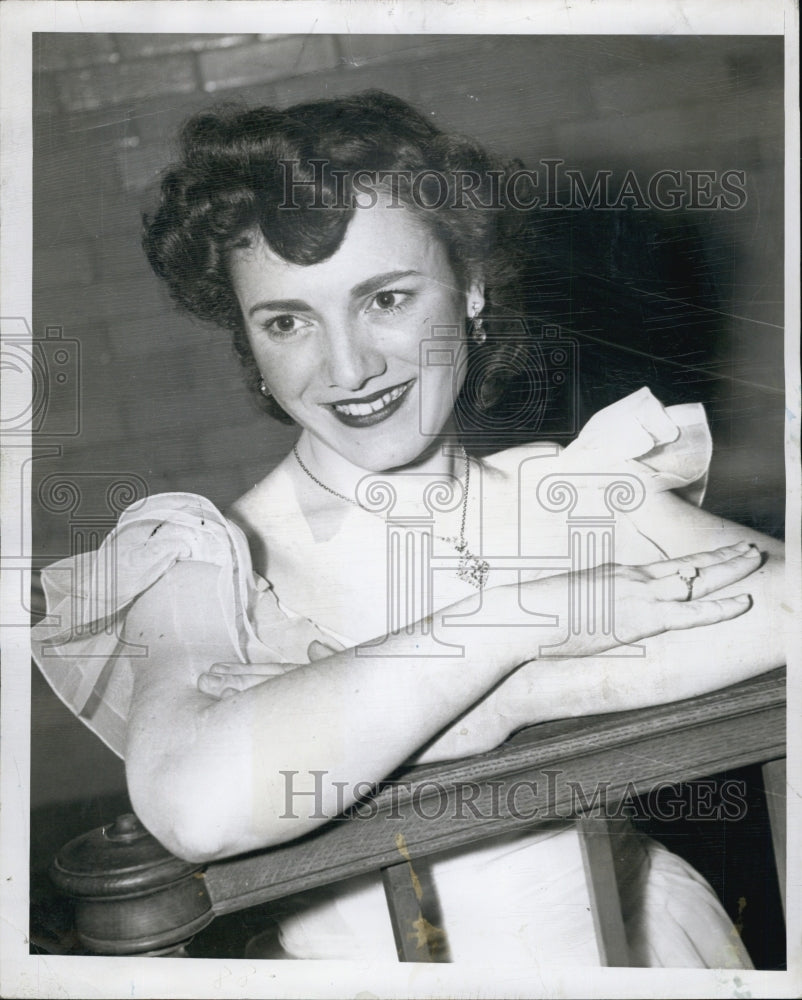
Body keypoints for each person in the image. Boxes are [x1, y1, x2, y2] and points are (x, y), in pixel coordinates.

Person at [32, 91, 786, 967]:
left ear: (469, 287)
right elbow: (195, 801)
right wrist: (527, 643)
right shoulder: (199, 559)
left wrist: (474, 710)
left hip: (647, 951)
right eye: (286, 321)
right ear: (249, 341)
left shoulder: (569, 489)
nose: (347, 367)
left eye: (385, 298)